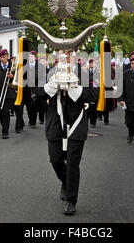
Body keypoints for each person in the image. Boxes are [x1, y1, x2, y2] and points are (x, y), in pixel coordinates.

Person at [40, 51, 98, 215]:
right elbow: (37, 93)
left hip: (76, 122)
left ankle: (71, 200)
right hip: (55, 123)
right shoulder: (51, 72)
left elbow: (93, 95)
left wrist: (74, 89)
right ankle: (66, 183)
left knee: (73, 163)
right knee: (55, 159)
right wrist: (51, 87)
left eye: (68, 53)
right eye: (60, 53)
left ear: (74, 54)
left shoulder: (84, 72)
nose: (64, 56)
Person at [0, 49, 22, 138]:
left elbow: (21, 78)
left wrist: (13, 77)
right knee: (0, 112)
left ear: (7, 56)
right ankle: (4, 127)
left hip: (12, 93)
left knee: (9, 111)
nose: (3, 59)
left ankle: (6, 131)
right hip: (0, 93)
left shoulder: (14, 66)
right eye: (1, 57)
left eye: (4, 57)